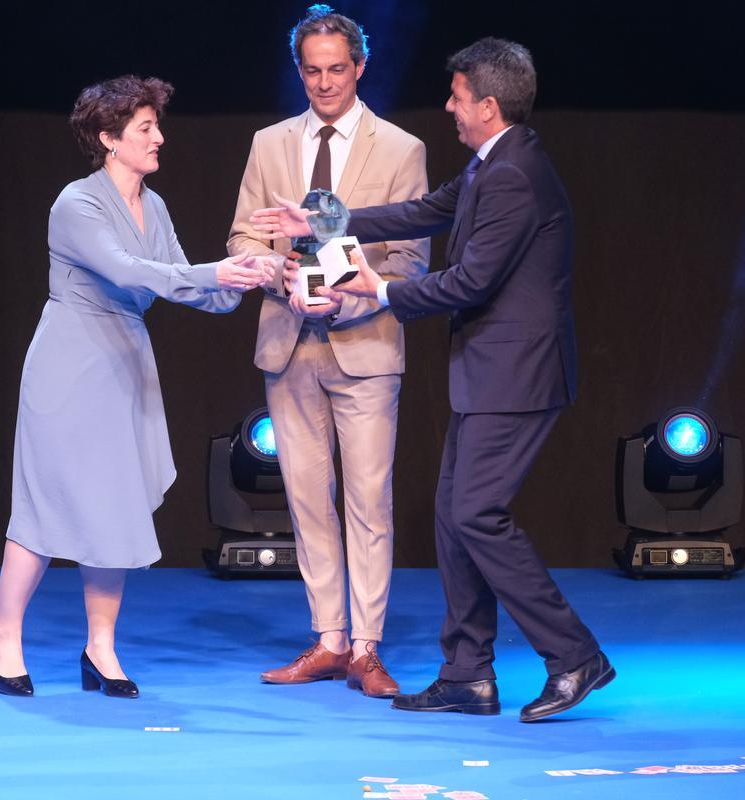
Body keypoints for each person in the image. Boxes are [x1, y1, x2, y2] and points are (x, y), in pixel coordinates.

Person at [252, 38, 614, 722]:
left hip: (517, 376)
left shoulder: (513, 175)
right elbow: (422, 211)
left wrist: (377, 289)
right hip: (490, 374)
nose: (448, 106)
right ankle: (467, 674)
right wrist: (325, 222)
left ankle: (573, 655)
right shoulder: (494, 163)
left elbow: (472, 280)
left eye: (455, 95)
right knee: (454, 519)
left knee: (477, 514)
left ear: (487, 103)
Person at [0, 75, 272, 699]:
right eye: (145, 129)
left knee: (113, 507)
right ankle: (6, 637)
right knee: (44, 504)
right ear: (108, 138)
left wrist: (247, 279)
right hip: (70, 363)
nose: (159, 138)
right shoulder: (77, 204)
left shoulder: (156, 204)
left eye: (156, 126)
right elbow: (126, 268)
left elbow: (180, 282)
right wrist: (210, 272)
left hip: (125, 362)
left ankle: (101, 648)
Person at [227, 4, 429, 700]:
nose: (324, 83)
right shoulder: (269, 143)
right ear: (299, 69)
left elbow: (411, 261)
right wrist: (280, 274)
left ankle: (367, 649)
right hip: (289, 343)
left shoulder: (400, 149)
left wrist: (351, 297)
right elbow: (243, 239)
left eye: (336, 70)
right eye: (312, 71)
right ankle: (328, 640)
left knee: (369, 500)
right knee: (307, 499)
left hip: (365, 345)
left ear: (360, 66)